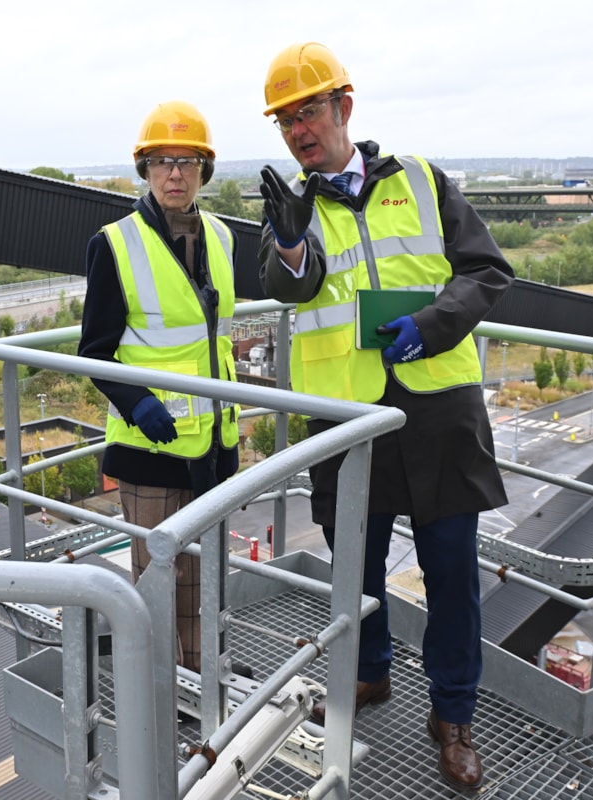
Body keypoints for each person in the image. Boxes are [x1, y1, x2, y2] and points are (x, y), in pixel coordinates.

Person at [256, 42, 513, 791]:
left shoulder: (426, 182)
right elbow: (284, 287)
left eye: (308, 110)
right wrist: (295, 240)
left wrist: (432, 324)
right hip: (345, 418)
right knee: (353, 571)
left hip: (439, 412)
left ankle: (454, 715)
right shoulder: (289, 206)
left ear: (345, 107)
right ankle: (368, 672)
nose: (299, 129)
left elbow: (487, 270)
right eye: (285, 120)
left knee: (452, 576)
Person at [78, 100, 240, 672]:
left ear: (204, 171)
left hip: (215, 445)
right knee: (157, 585)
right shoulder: (114, 245)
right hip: (151, 449)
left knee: (206, 579)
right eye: (164, 161)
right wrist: (138, 401)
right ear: (145, 170)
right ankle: (166, 700)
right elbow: (94, 353)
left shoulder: (222, 237)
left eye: (189, 161)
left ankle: (204, 679)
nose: (176, 173)